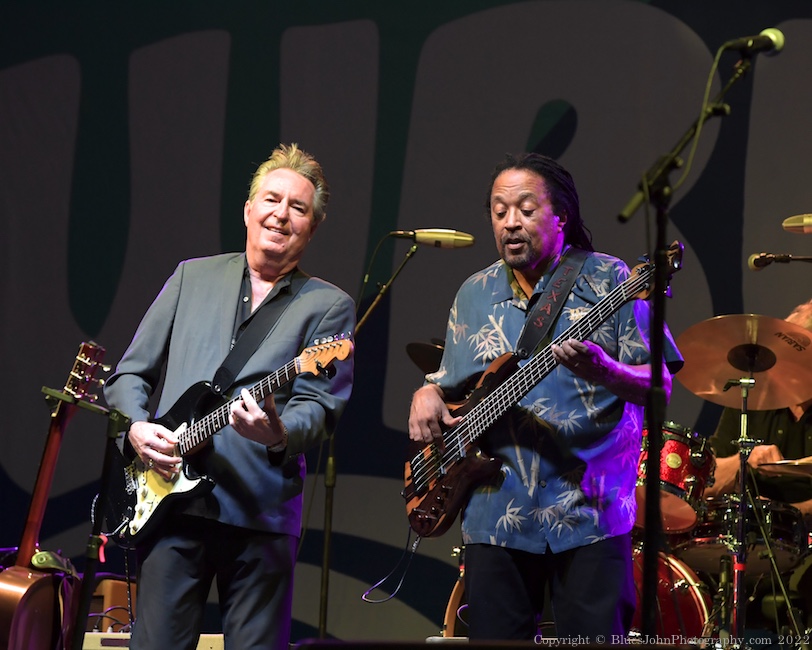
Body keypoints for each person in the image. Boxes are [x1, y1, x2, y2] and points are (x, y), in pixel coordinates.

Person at [408, 152, 683, 642]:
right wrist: (426, 393)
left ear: (562, 216)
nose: (510, 223)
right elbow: (453, 390)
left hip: (589, 514)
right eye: (499, 211)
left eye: (526, 209)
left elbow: (659, 383)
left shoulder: (612, 279)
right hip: (495, 518)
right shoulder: (474, 293)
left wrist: (608, 369)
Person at [103, 143, 355, 650]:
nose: (281, 214)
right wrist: (135, 424)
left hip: (260, 514)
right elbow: (129, 375)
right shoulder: (190, 276)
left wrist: (278, 432)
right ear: (248, 209)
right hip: (169, 505)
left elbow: (320, 408)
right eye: (271, 199)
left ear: (312, 226)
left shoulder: (328, 306)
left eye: (298, 208)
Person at [704, 299, 812, 629]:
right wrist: (743, 459)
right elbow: (706, 484)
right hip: (745, 544)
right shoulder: (749, 397)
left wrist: (790, 514)